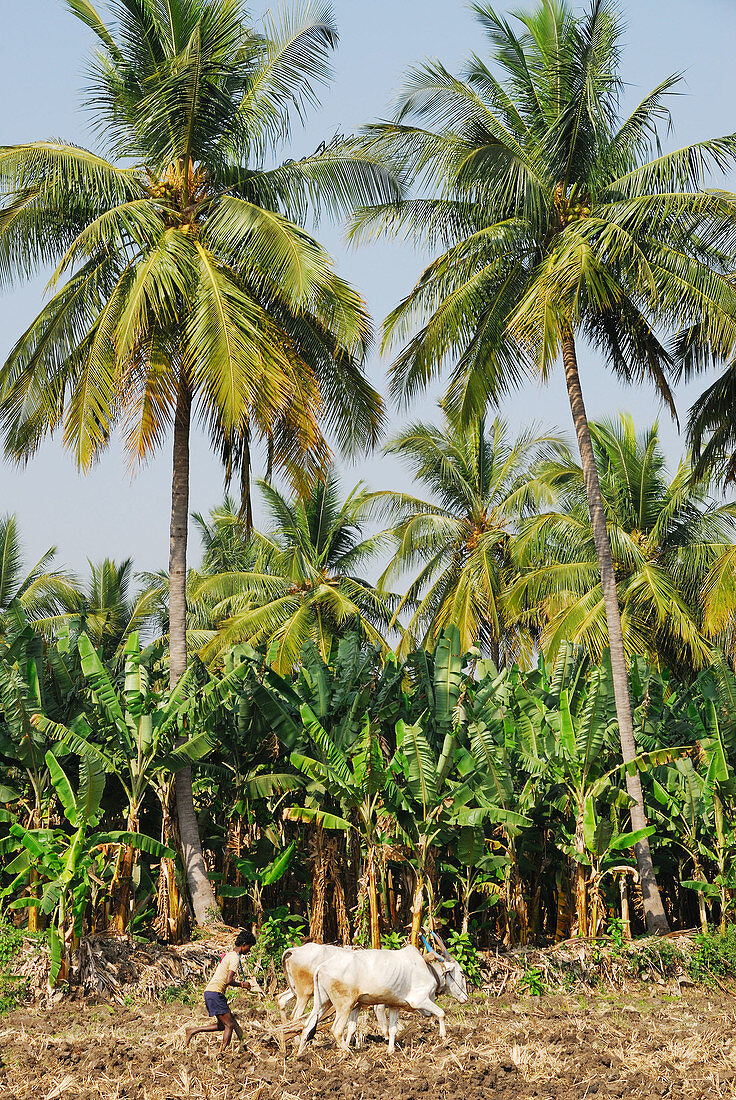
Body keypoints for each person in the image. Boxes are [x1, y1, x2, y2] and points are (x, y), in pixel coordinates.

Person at [185, 928, 256, 1052]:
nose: (249, 950)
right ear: (243, 945)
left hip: (211, 992)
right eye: (249, 947)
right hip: (215, 993)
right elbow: (229, 980)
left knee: (226, 1023)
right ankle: (222, 1053)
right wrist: (243, 985)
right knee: (229, 1024)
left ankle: (193, 1031)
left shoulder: (229, 954)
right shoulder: (234, 958)